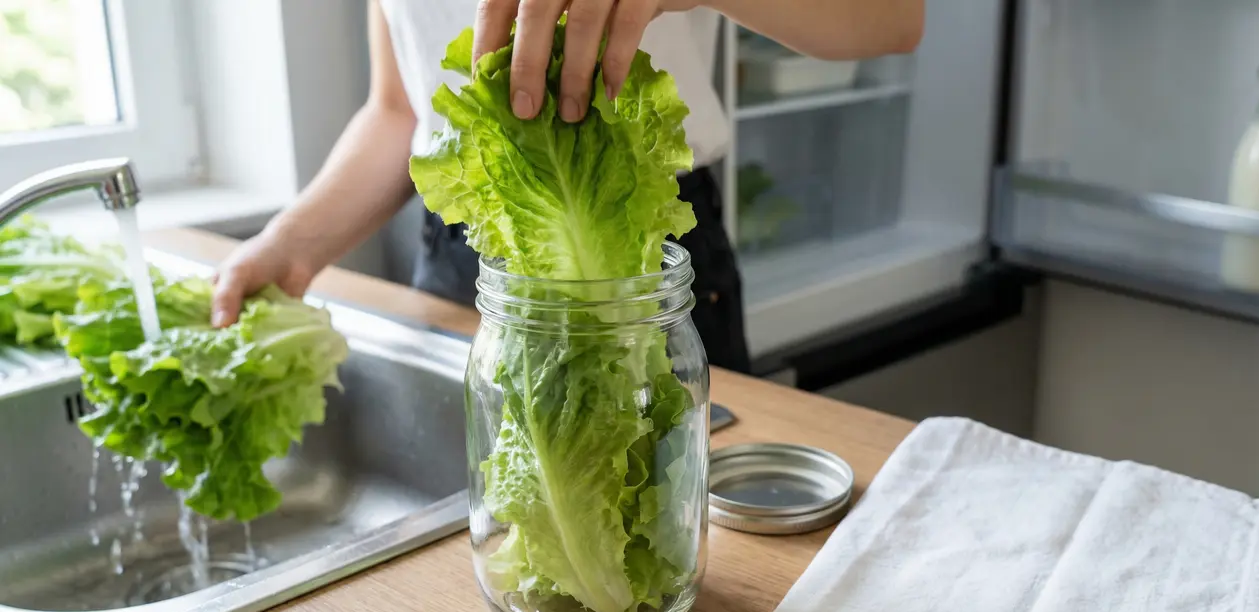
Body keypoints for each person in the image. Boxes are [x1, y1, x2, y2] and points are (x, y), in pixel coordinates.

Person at [211, 0, 925, 373]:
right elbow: (403, 108)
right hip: (467, 264)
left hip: (641, 250)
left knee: (662, 551)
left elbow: (891, 16)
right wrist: (290, 244)